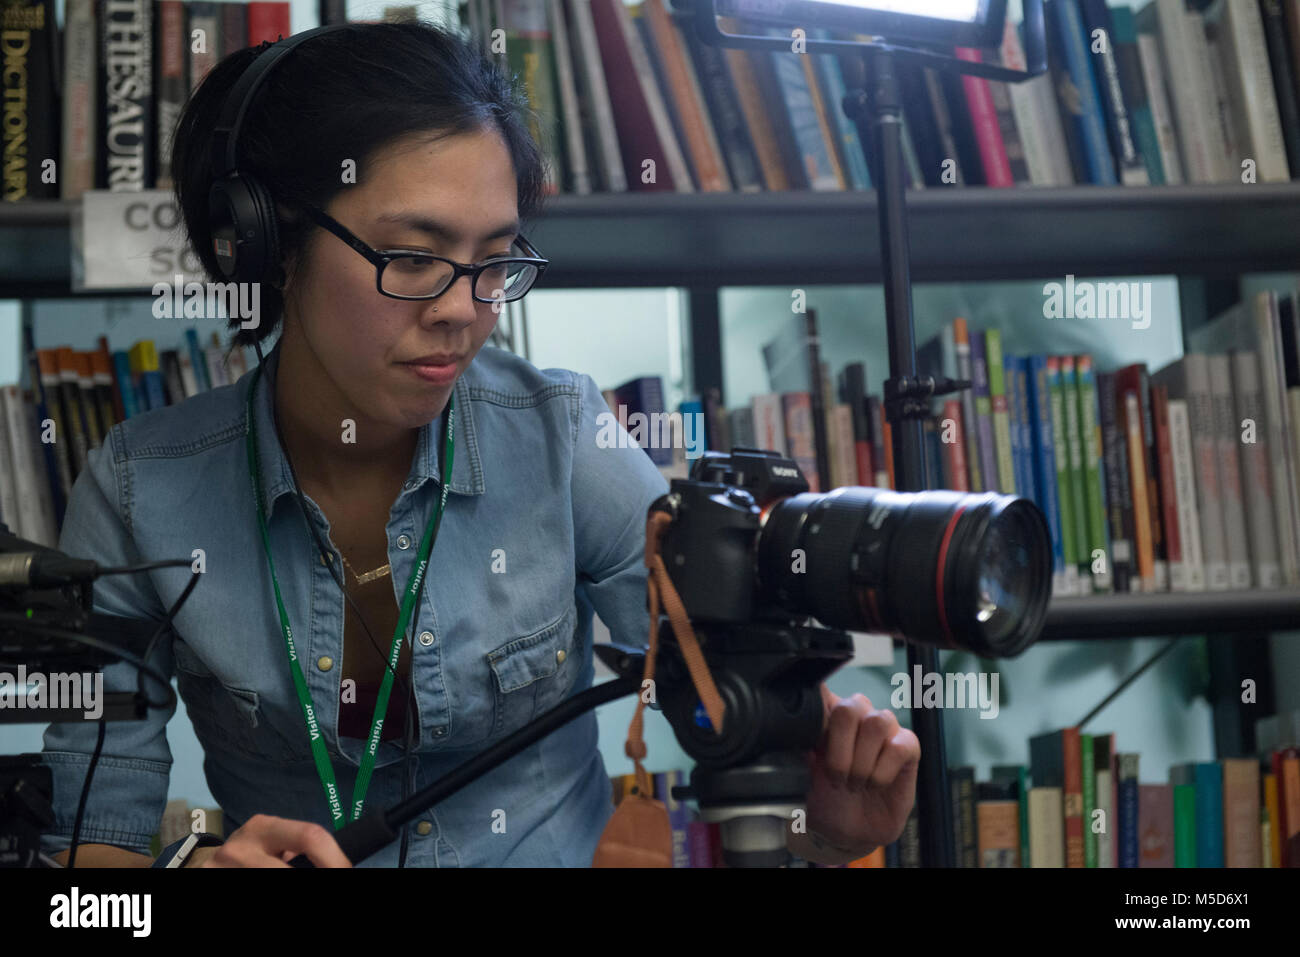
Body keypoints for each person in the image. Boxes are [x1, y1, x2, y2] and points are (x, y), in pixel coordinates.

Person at [41, 20, 918, 868]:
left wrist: (825, 833)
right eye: (413, 256)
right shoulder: (135, 495)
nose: (464, 307)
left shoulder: (562, 436)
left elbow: (723, 697)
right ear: (268, 245)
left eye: (495, 261)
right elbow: (83, 875)